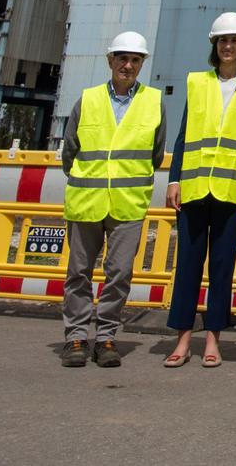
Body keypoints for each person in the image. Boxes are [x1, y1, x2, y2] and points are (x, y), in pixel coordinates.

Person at [164, 11, 236, 368]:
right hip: (194, 188)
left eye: (235, 41)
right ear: (215, 45)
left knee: (222, 267)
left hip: (233, 189)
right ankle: (182, 340)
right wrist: (174, 179)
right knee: (188, 265)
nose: (228, 46)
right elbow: (183, 136)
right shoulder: (197, 82)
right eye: (223, 41)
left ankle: (213, 339)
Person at [58, 30, 165, 368]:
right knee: (79, 272)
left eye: (135, 60)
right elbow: (69, 151)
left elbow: (155, 154)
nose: (128, 65)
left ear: (142, 64)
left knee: (119, 273)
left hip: (127, 203)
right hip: (87, 201)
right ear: (111, 61)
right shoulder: (87, 99)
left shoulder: (153, 101)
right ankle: (76, 336)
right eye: (122, 58)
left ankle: (105, 337)